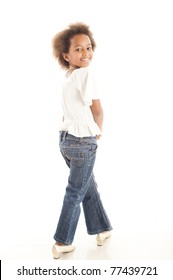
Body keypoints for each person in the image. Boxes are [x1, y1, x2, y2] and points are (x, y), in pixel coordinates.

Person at [51, 22, 112, 259]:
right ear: (66, 55)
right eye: (78, 49)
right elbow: (97, 108)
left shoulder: (69, 77)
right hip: (82, 140)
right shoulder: (85, 74)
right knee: (76, 191)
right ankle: (62, 241)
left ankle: (102, 228)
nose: (85, 53)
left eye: (88, 47)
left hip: (65, 140)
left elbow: (67, 111)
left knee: (88, 185)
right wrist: (99, 130)